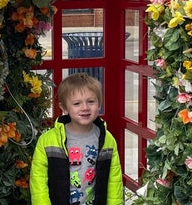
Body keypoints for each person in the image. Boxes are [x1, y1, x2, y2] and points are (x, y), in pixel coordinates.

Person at [30, 73, 123, 205]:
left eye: (91, 101)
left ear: (99, 104)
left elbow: (114, 180)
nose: (85, 107)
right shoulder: (48, 140)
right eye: (77, 103)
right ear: (64, 108)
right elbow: (38, 181)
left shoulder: (107, 138)